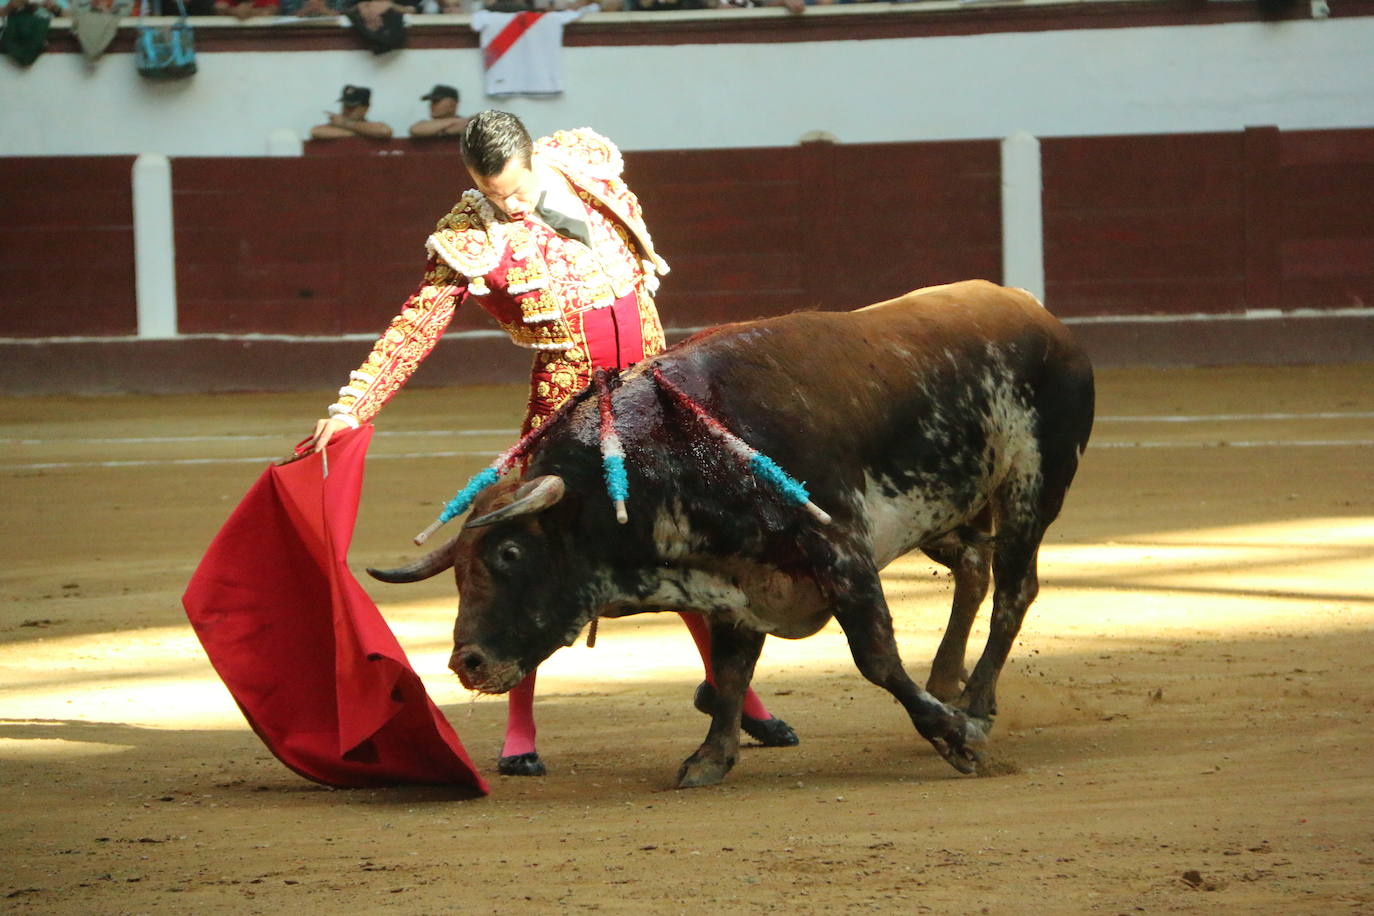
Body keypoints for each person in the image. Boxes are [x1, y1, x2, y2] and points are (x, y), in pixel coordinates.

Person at [302, 110, 798, 776]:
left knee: (688, 548)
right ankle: (518, 726)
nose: (508, 204)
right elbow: (414, 327)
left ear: (533, 159)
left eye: (513, 188)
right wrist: (352, 408)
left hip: (654, 396)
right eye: (491, 191)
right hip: (566, 414)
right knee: (531, 557)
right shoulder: (471, 233)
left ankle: (739, 694)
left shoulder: (586, 170)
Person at [309, 85, 394, 141]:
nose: (347, 110)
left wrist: (345, 123)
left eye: (352, 107)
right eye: (345, 105)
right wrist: (362, 133)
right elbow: (315, 131)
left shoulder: (341, 123)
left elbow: (385, 131)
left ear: (365, 108)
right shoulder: (336, 125)